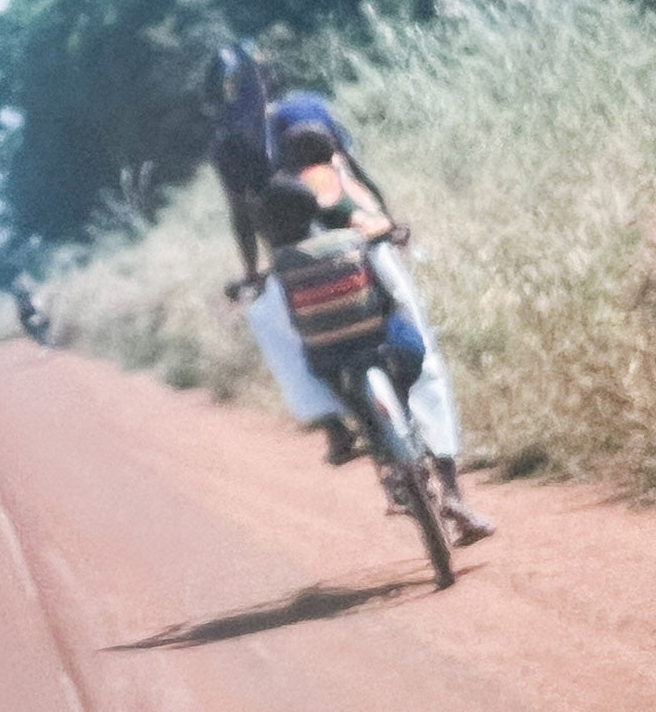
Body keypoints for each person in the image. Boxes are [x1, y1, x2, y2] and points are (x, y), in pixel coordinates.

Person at [271, 119, 494, 544]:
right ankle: (451, 492)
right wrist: (391, 229)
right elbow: (373, 222)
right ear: (334, 149)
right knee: (425, 371)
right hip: (371, 303)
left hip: (326, 333)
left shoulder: (281, 194)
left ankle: (364, 447)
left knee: (331, 373)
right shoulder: (339, 178)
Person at [202, 43, 360, 465]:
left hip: (296, 259)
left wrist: (253, 273)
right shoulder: (308, 107)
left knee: (272, 323)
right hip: (351, 239)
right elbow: (352, 172)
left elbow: (241, 213)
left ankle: (333, 425)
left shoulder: (229, 144)